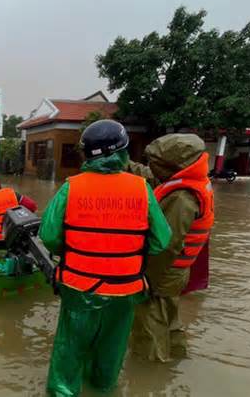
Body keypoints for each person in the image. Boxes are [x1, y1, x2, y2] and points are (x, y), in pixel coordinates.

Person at [39, 120, 172, 395]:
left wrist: (76, 249)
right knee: (111, 349)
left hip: (78, 287)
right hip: (125, 290)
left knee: (70, 349)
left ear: (86, 155)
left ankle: (63, 391)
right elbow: (162, 240)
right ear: (123, 153)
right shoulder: (141, 189)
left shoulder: (71, 187)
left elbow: (49, 235)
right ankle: (101, 387)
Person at [128, 133, 214, 362]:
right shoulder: (190, 179)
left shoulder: (181, 198)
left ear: (172, 166)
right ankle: (176, 357)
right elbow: (149, 176)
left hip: (164, 271)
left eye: (155, 163)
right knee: (168, 317)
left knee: (149, 324)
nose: (150, 168)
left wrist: (145, 279)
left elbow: (166, 246)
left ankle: (150, 373)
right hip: (177, 271)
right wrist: (122, 162)